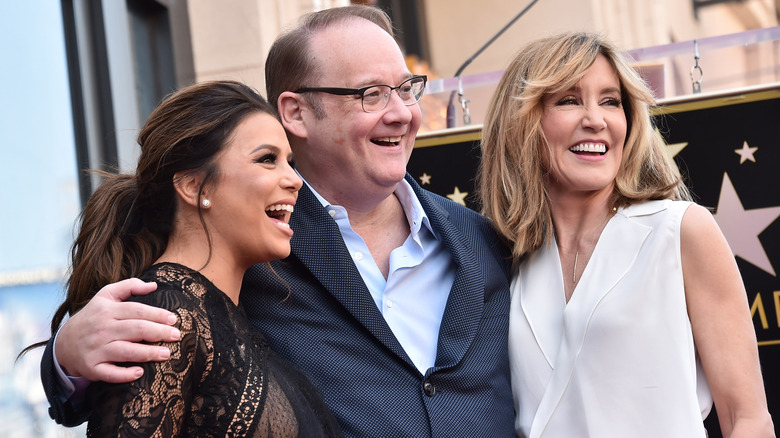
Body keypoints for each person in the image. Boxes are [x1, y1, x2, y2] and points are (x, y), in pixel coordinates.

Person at [40, 6, 515, 437]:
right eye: (371, 94)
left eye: (406, 89)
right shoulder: (248, 240)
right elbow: (137, 352)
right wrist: (67, 354)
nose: (402, 113)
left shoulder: (482, 239)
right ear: (296, 112)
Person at [478, 32, 774, 437]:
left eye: (610, 101)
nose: (596, 120)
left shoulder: (679, 231)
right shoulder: (502, 261)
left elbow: (749, 419)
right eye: (568, 100)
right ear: (522, 122)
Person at [30, 80, 344, 436]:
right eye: (267, 159)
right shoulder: (165, 317)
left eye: (289, 161)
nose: (294, 179)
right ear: (195, 186)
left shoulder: (228, 313)